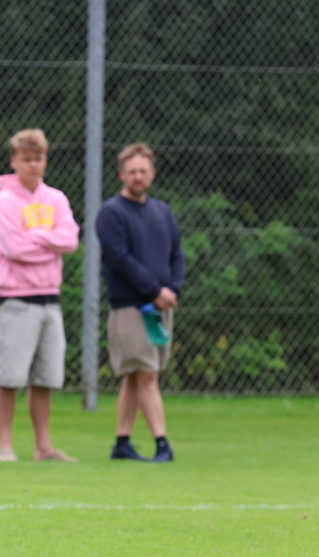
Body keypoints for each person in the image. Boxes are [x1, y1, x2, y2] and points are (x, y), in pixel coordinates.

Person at [0, 129, 80, 463]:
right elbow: (13, 247)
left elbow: (70, 240)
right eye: (26, 159)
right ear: (14, 161)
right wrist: (49, 240)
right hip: (16, 300)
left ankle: (44, 447)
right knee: (10, 378)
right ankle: (5, 446)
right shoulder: (4, 201)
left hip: (50, 299)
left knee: (46, 379)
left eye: (38, 158)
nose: (33, 165)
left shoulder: (56, 199)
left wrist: (36, 236)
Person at [95, 143, 185, 463]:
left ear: (153, 174)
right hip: (131, 307)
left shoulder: (163, 212)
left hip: (160, 307)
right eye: (132, 171)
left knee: (139, 375)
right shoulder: (111, 213)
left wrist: (171, 289)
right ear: (121, 174)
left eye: (143, 171)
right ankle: (162, 444)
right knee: (146, 374)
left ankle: (122, 443)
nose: (137, 177)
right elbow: (120, 259)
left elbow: (177, 254)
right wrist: (153, 290)